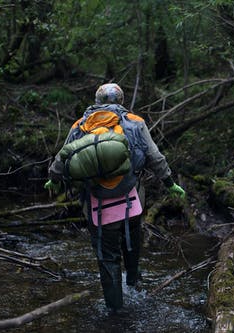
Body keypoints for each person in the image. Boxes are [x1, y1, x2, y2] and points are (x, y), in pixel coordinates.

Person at [44, 83, 185, 314]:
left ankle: (115, 310)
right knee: (132, 243)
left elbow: (62, 158)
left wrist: (54, 178)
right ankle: (135, 289)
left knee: (107, 256)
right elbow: (155, 157)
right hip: (132, 199)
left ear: (96, 100)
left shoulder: (80, 125)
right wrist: (170, 183)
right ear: (121, 99)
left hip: (96, 203)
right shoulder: (135, 122)